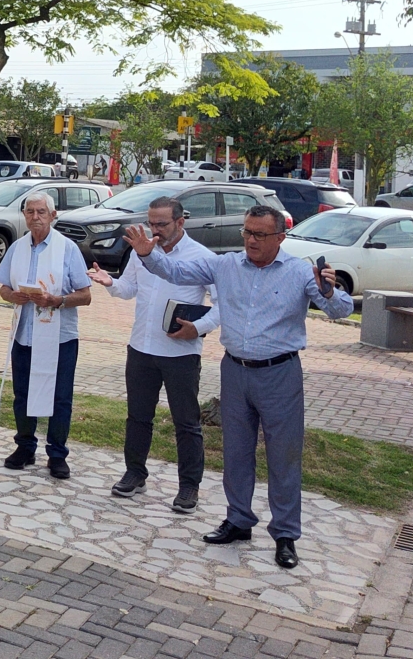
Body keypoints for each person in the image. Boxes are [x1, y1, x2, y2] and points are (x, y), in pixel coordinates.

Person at [123, 205, 354, 570]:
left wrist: (329, 291)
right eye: (247, 232)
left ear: (280, 237)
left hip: (279, 373)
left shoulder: (298, 272)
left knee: (283, 456)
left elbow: (340, 311)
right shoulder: (225, 265)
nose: (251, 240)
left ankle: (285, 535)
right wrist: (148, 254)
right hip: (235, 370)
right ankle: (238, 520)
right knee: (236, 451)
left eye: (260, 234)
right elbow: (177, 271)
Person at [86, 196, 208, 513]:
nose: (154, 230)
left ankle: (189, 487)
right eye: (151, 223)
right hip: (141, 347)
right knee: (138, 416)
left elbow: (224, 304)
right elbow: (128, 288)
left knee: (186, 422)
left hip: (181, 353)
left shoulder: (201, 257)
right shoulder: (141, 252)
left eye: (161, 224)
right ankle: (135, 473)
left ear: (180, 222)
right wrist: (109, 282)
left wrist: (199, 327)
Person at [0, 191, 92, 479]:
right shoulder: (17, 248)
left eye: (41, 212)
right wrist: (12, 295)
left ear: (52, 215)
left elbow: (85, 295)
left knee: (60, 397)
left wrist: (56, 300)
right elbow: (3, 287)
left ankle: (57, 454)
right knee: (22, 394)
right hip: (24, 334)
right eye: (30, 212)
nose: (35, 217)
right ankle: (25, 447)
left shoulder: (68, 249)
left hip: (59, 337)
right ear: (24, 215)